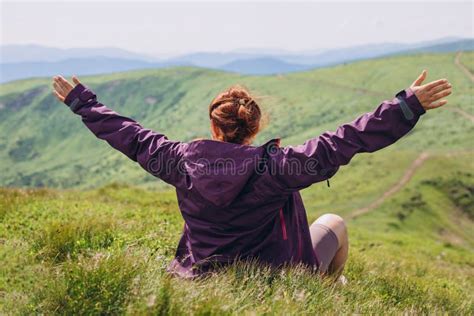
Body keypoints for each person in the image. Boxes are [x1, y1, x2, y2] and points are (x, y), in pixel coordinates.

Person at [52, 71, 451, 279]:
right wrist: (404, 107)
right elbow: (342, 142)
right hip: (275, 274)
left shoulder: (179, 160)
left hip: (200, 275)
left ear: (213, 126)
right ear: (254, 128)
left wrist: (83, 103)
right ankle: (326, 291)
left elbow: (132, 138)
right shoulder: (277, 168)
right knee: (334, 223)